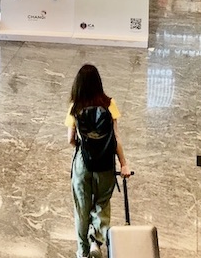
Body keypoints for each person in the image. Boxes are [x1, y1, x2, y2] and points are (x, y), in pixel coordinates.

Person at [66, 64, 131, 258]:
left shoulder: (75, 107)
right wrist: (124, 163)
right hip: (105, 165)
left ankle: (83, 251)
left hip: (82, 165)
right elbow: (116, 138)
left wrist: (82, 145)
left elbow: (70, 139)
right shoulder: (109, 104)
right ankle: (96, 241)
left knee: (81, 209)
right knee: (102, 203)